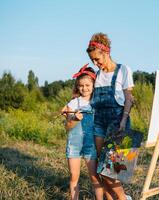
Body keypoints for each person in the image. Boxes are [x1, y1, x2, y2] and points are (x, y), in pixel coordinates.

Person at [86, 32, 134, 200]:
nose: (95, 63)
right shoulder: (96, 75)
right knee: (101, 167)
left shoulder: (123, 70)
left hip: (117, 121)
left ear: (105, 53)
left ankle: (123, 198)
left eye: (97, 59)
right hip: (99, 122)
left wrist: (123, 121)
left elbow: (129, 99)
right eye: (92, 60)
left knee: (110, 169)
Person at [62, 64, 103, 200]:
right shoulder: (73, 104)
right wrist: (74, 118)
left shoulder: (97, 102)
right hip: (74, 144)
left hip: (90, 145)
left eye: (87, 85)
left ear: (93, 85)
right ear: (77, 86)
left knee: (94, 177)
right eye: (81, 85)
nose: (84, 88)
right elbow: (67, 126)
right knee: (74, 176)